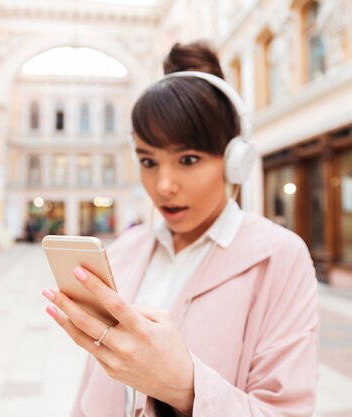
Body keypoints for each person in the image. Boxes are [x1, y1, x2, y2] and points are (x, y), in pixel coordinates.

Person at [41, 41, 319, 417]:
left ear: (235, 160)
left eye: (188, 159)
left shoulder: (278, 256)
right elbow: (92, 386)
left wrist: (184, 387)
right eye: (148, 161)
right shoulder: (127, 249)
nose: (164, 185)